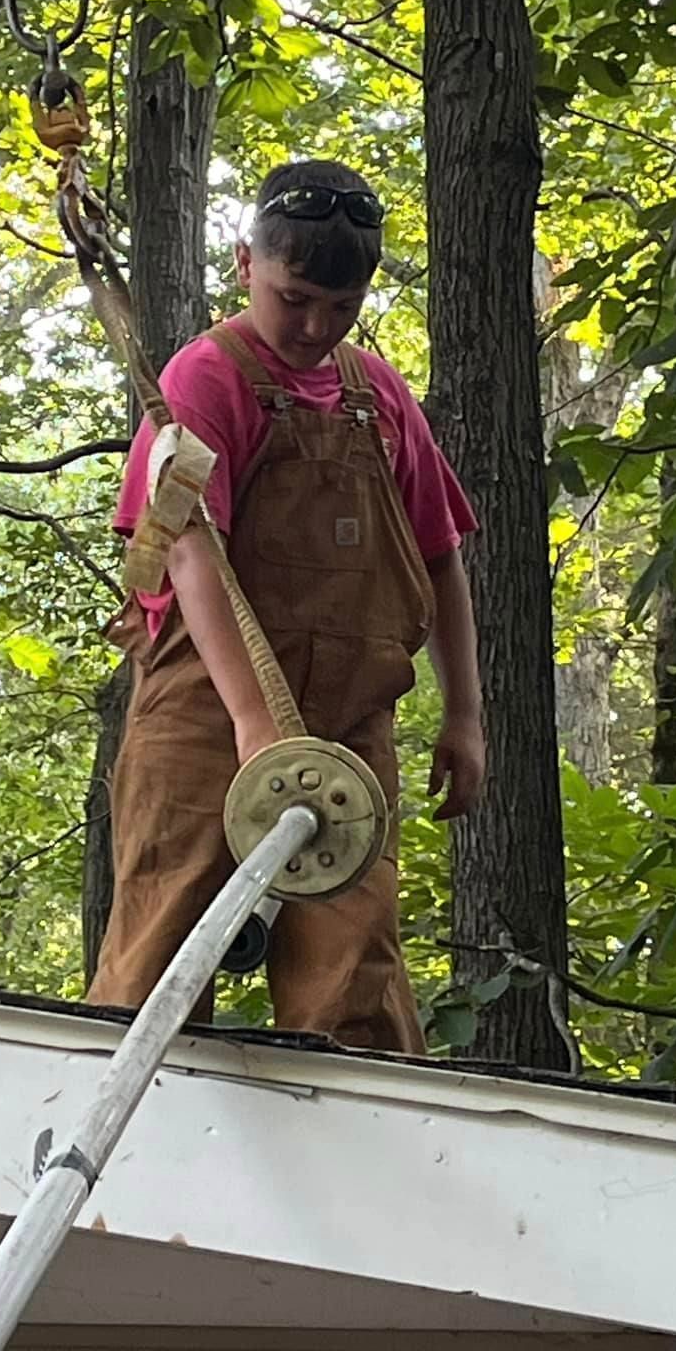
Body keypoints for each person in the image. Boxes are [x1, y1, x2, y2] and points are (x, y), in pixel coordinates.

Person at [88, 158, 484, 1053]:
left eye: (340, 307)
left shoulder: (378, 396)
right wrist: (255, 724)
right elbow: (188, 551)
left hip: (347, 729)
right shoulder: (205, 380)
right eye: (293, 298)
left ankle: (352, 1138)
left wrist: (465, 714)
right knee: (157, 966)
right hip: (204, 720)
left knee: (355, 987)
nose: (314, 327)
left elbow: (439, 553)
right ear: (245, 265)